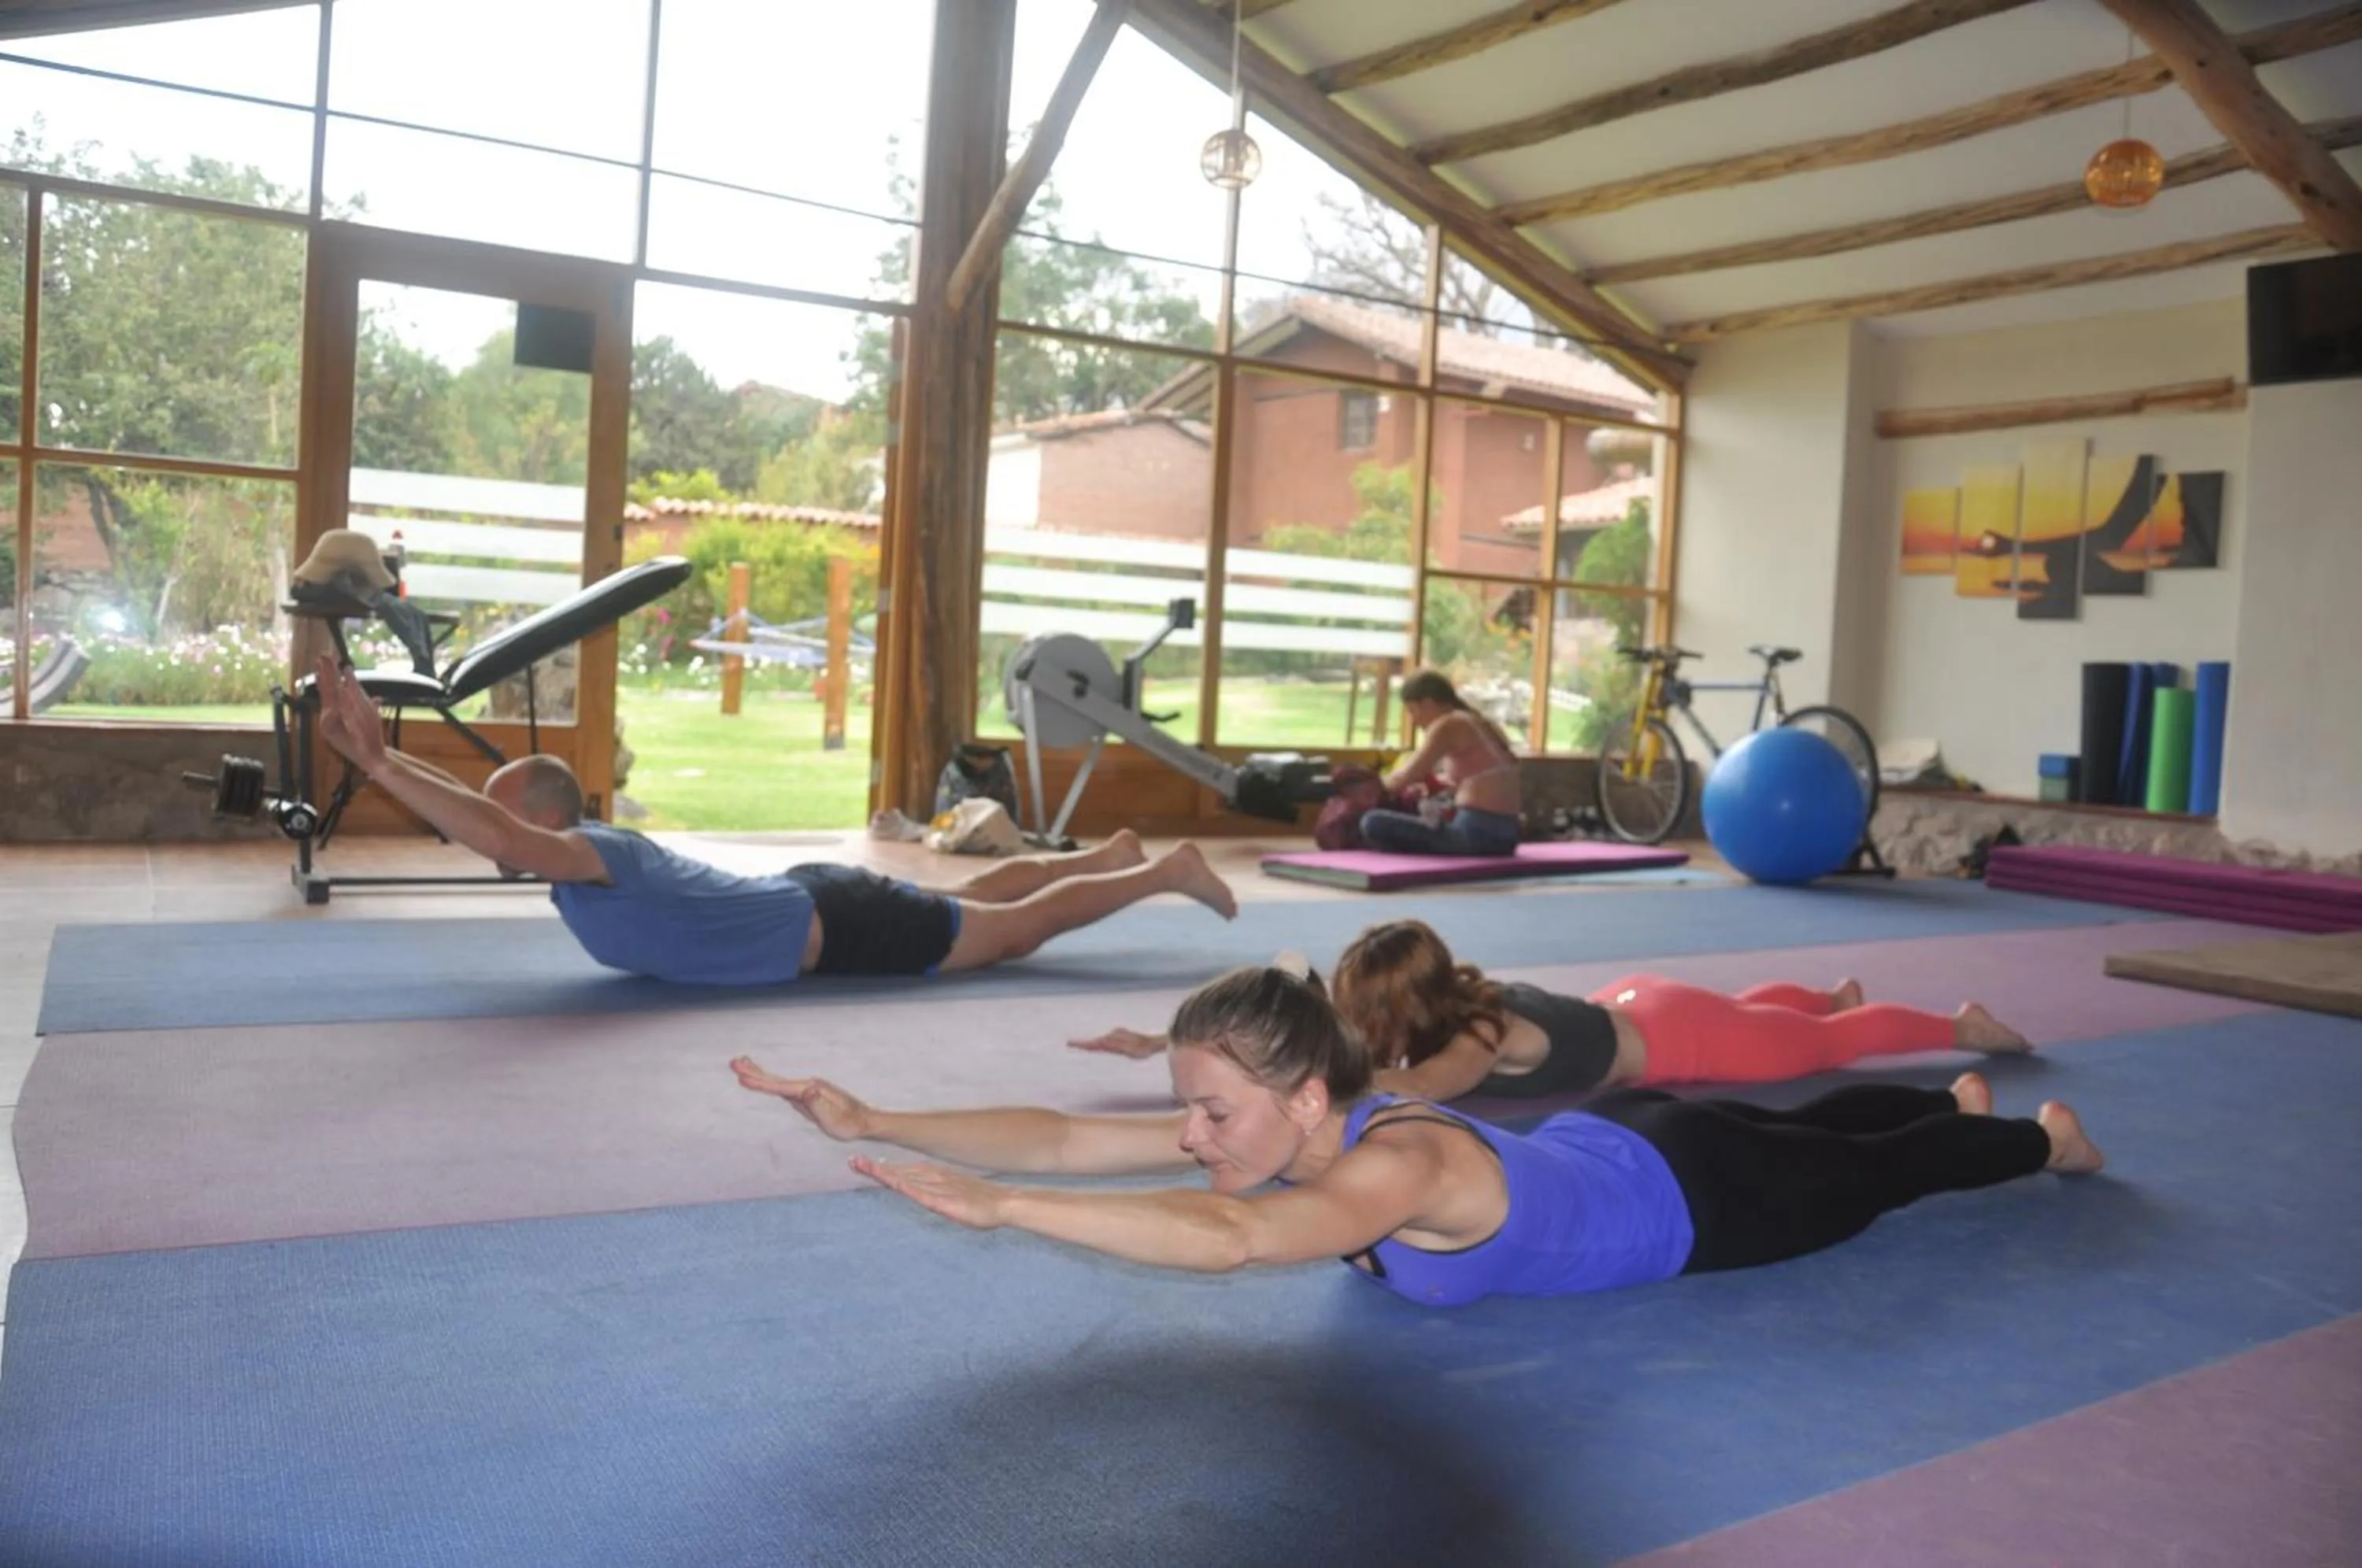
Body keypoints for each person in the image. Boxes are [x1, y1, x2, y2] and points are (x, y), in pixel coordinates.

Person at [734, 965, 2103, 1307]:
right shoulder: (1284, 1122)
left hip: (1701, 1199)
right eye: (1193, 1109)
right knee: (1797, 1115)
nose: (1191, 1134)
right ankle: (1941, 1094)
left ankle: (2034, 1139)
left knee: (1876, 1169)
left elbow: (1233, 1237)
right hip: (1629, 1128)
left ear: (1308, 1101)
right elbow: (1064, 1133)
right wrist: (880, 1117)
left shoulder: (1392, 1168)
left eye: (1213, 1111)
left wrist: (1004, 1210)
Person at [309, 654, 1237, 983]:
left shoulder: (590, 853)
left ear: (554, 817)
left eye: (505, 816)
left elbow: (499, 832)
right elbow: (493, 822)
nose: (481, 832)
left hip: (843, 928)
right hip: (815, 905)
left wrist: (382, 760)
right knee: (991, 898)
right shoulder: (576, 863)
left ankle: (1163, 871)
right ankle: (1111, 855)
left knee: (1014, 934)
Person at [1067, 920, 2029, 1104]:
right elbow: (1306, 1007)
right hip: (1636, 1002)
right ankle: (1823, 991)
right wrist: (1175, 1038)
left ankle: (1960, 1020)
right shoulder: (1445, 1000)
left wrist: (1287, 1081)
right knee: (1763, 1014)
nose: (1361, 1031)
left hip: (1674, 1036)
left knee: (1821, 1048)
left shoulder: (1475, 1039)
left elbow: (1416, 1083)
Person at [1358, 669, 1523, 856]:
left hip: (1476, 833)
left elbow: (1405, 776)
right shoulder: (1479, 723)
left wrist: (1364, 790)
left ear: (1428, 703)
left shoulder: (1448, 724)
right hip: (1508, 834)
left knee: (1372, 822)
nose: (1413, 720)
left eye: (1413, 710)